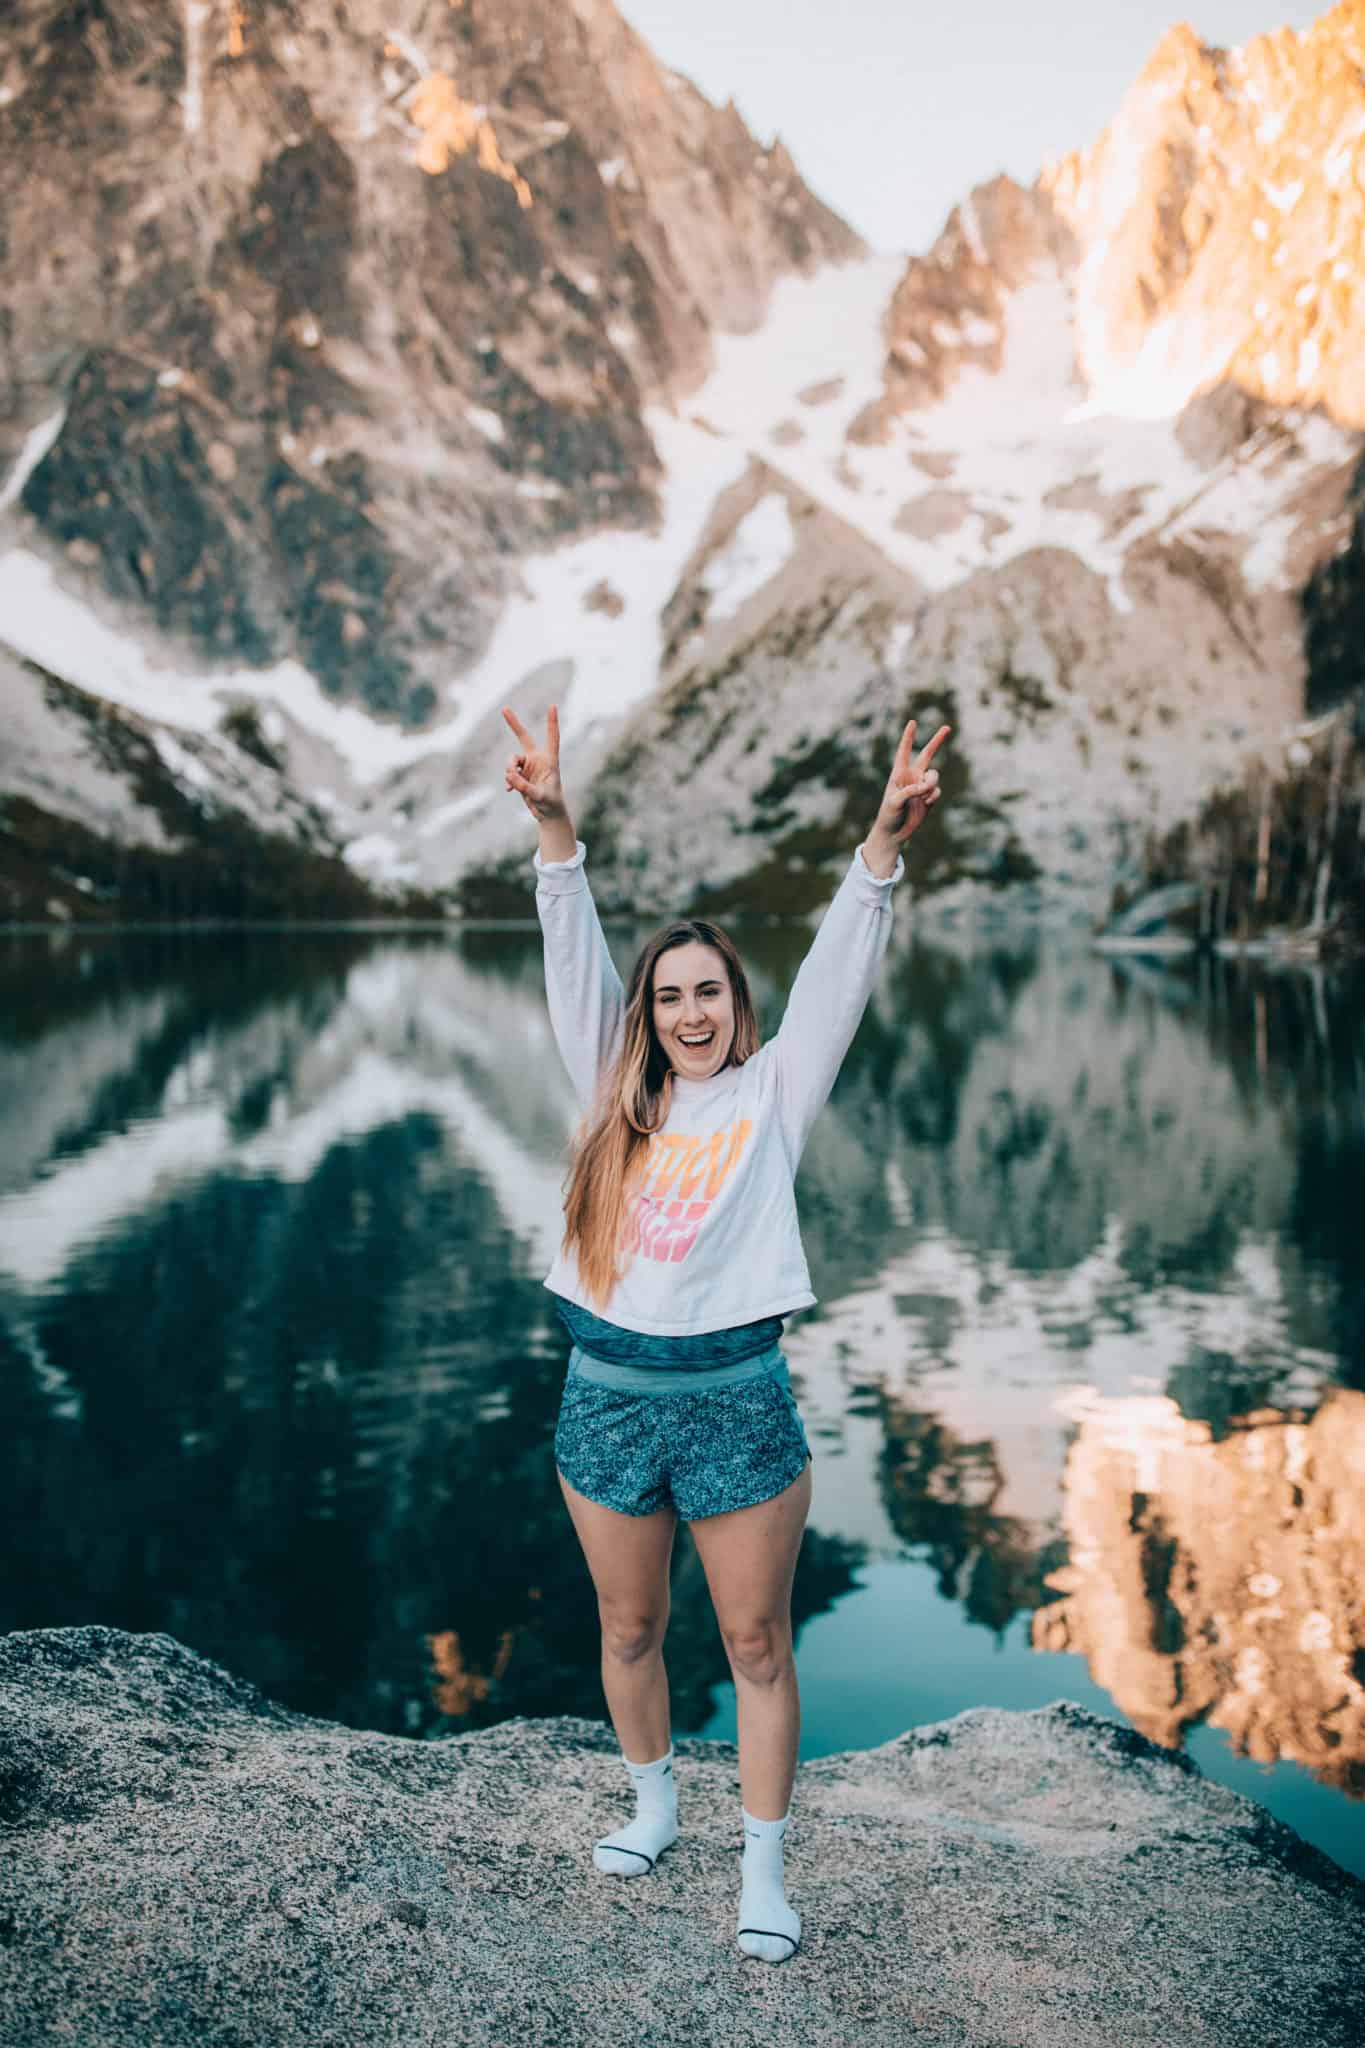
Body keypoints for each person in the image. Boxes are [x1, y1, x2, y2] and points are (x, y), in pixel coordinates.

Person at [501, 699, 950, 1964]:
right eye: (669, 995)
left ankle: (763, 1865)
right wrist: (554, 826)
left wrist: (879, 842)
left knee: (755, 1640)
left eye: (709, 991)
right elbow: (570, 951)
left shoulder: (776, 1092)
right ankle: (651, 1802)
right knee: (629, 1627)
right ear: (644, 1014)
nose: (690, 1011)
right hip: (606, 1393)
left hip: (738, 1397)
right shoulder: (613, 1092)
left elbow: (837, 973)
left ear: (735, 1006)